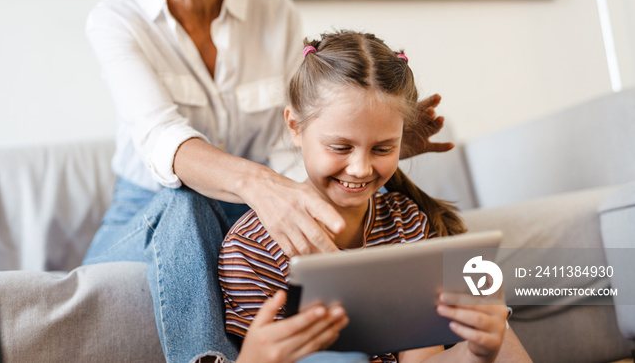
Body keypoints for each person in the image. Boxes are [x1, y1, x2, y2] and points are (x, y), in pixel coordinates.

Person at [81, 0, 453, 361]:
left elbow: (291, 142)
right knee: (184, 198)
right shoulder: (116, 20)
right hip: (150, 210)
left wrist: (373, 148)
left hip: (254, 205)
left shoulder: (272, 9)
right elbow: (162, 139)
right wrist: (262, 187)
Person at [219, 31, 525, 363]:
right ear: (295, 127)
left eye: (382, 148)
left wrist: (477, 352)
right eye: (340, 147)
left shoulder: (406, 223)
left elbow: (421, 359)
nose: (361, 169)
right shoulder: (251, 249)